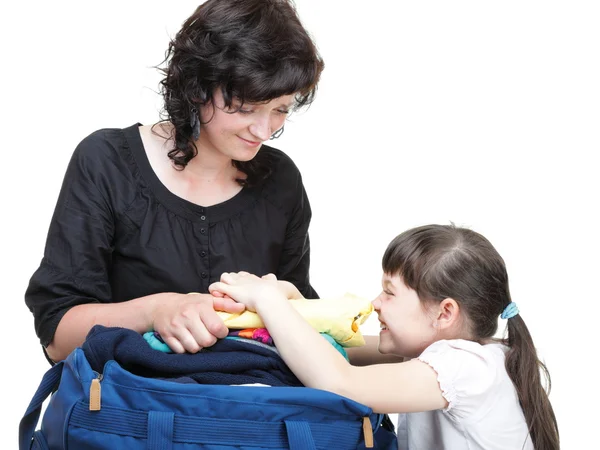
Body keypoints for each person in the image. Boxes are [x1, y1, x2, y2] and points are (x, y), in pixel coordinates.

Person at [25, 0, 324, 364]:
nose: (264, 130)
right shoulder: (106, 162)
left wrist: (288, 300)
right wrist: (156, 311)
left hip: (250, 414)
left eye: (280, 109)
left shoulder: (281, 180)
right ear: (197, 87)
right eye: (245, 108)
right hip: (131, 413)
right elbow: (57, 337)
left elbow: (312, 340)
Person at [209, 224, 560, 450]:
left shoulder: (464, 366)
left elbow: (340, 381)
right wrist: (290, 300)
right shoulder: (443, 354)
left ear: (445, 313)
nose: (376, 304)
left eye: (389, 293)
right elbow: (338, 349)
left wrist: (267, 300)